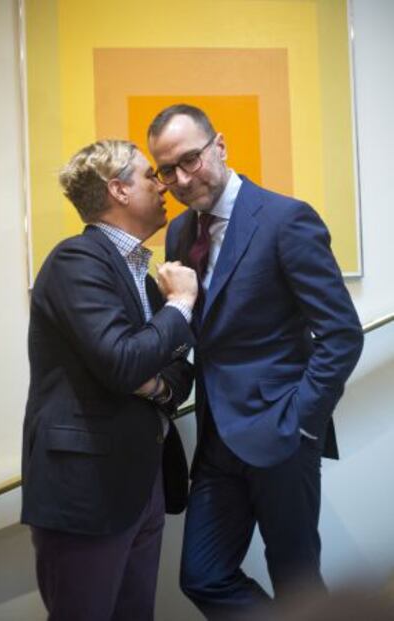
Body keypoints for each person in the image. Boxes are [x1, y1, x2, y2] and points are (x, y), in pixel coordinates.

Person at [148, 104, 364, 619]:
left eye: (191, 160)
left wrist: (301, 421)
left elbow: (341, 334)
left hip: (282, 435)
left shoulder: (287, 219)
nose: (180, 178)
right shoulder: (180, 233)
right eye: (166, 170)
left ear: (219, 146)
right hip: (218, 440)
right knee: (202, 576)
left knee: (297, 584)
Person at [21, 139, 198, 621]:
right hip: (87, 492)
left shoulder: (143, 275)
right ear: (118, 190)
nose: (163, 185)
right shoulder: (75, 261)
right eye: (149, 176)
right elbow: (123, 363)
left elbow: (178, 369)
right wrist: (181, 304)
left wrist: (157, 384)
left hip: (143, 483)